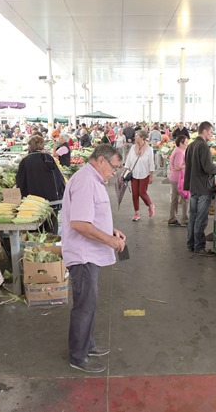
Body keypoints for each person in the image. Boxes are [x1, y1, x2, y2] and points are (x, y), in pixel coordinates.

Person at [62, 144, 126, 373]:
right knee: (84, 305)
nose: (114, 172)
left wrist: (111, 230)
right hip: (83, 254)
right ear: (101, 160)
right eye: (114, 167)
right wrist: (110, 241)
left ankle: (86, 345)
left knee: (90, 302)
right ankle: (78, 356)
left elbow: (91, 217)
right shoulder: (85, 182)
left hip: (90, 253)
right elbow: (79, 223)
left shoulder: (93, 180)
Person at [184, 121, 216, 255]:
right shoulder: (204, 146)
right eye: (211, 132)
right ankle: (199, 247)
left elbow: (189, 166)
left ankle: (191, 244)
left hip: (193, 186)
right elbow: (209, 168)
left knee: (193, 217)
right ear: (205, 131)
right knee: (201, 219)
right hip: (203, 187)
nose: (212, 134)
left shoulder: (191, 146)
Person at [16, 135, 65, 234]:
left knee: (33, 232)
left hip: (32, 205)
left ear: (29, 146)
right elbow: (59, 179)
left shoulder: (25, 161)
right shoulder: (48, 158)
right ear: (42, 146)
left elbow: (19, 182)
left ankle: (34, 248)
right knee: (50, 231)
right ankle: (50, 248)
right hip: (51, 202)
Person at [124, 130, 155, 222]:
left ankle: (150, 205)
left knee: (142, 192)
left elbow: (151, 163)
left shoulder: (149, 149)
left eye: (137, 136)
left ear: (142, 138)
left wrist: (151, 176)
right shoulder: (133, 147)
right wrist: (125, 171)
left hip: (144, 174)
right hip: (134, 174)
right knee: (135, 194)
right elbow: (129, 160)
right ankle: (137, 213)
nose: (135, 137)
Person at [168, 134, 188, 227]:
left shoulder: (177, 150)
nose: (187, 144)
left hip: (174, 177)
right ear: (181, 143)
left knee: (175, 199)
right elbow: (177, 166)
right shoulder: (180, 152)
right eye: (186, 142)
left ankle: (172, 219)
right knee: (185, 198)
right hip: (178, 179)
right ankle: (185, 220)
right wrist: (188, 165)